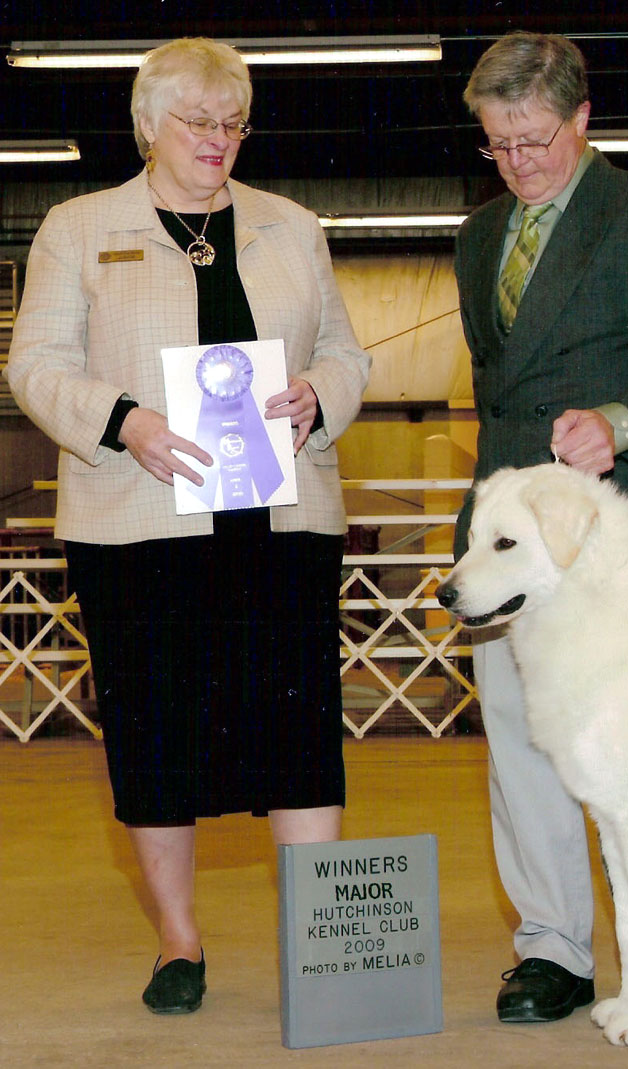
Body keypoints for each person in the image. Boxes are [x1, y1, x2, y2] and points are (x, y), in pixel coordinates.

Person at [5, 38, 370, 1015]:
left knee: (300, 733)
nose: (218, 139)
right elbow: (33, 365)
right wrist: (125, 421)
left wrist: (317, 396)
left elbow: (346, 351)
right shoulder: (77, 229)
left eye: (233, 121)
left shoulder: (294, 228)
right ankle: (179, 941)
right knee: (156, 737)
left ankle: (321, 948)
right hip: (137, 528)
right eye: (198, 121)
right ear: (147, 126)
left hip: (284, 522)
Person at [453, 31, 628, 1023]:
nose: (517, 162)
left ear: (582, 118)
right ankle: (554, 948)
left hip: (620, 540)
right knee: (523, 744)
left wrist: (618, 423)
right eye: (498, 144)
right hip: (512, 543)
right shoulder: (479, 235)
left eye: (534, 140)